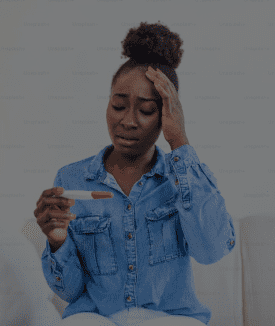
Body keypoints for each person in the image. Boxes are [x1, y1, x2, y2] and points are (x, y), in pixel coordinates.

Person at [34, 21, 236, 326]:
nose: (128, 121)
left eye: (145, 110)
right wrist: (57, 240)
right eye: (118, 105)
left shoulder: (181, 177)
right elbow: (70, 291)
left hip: (169, 318)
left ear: (167, 114)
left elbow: (211, 250)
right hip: (97, 317)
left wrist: (179, 140)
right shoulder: (71, 179)